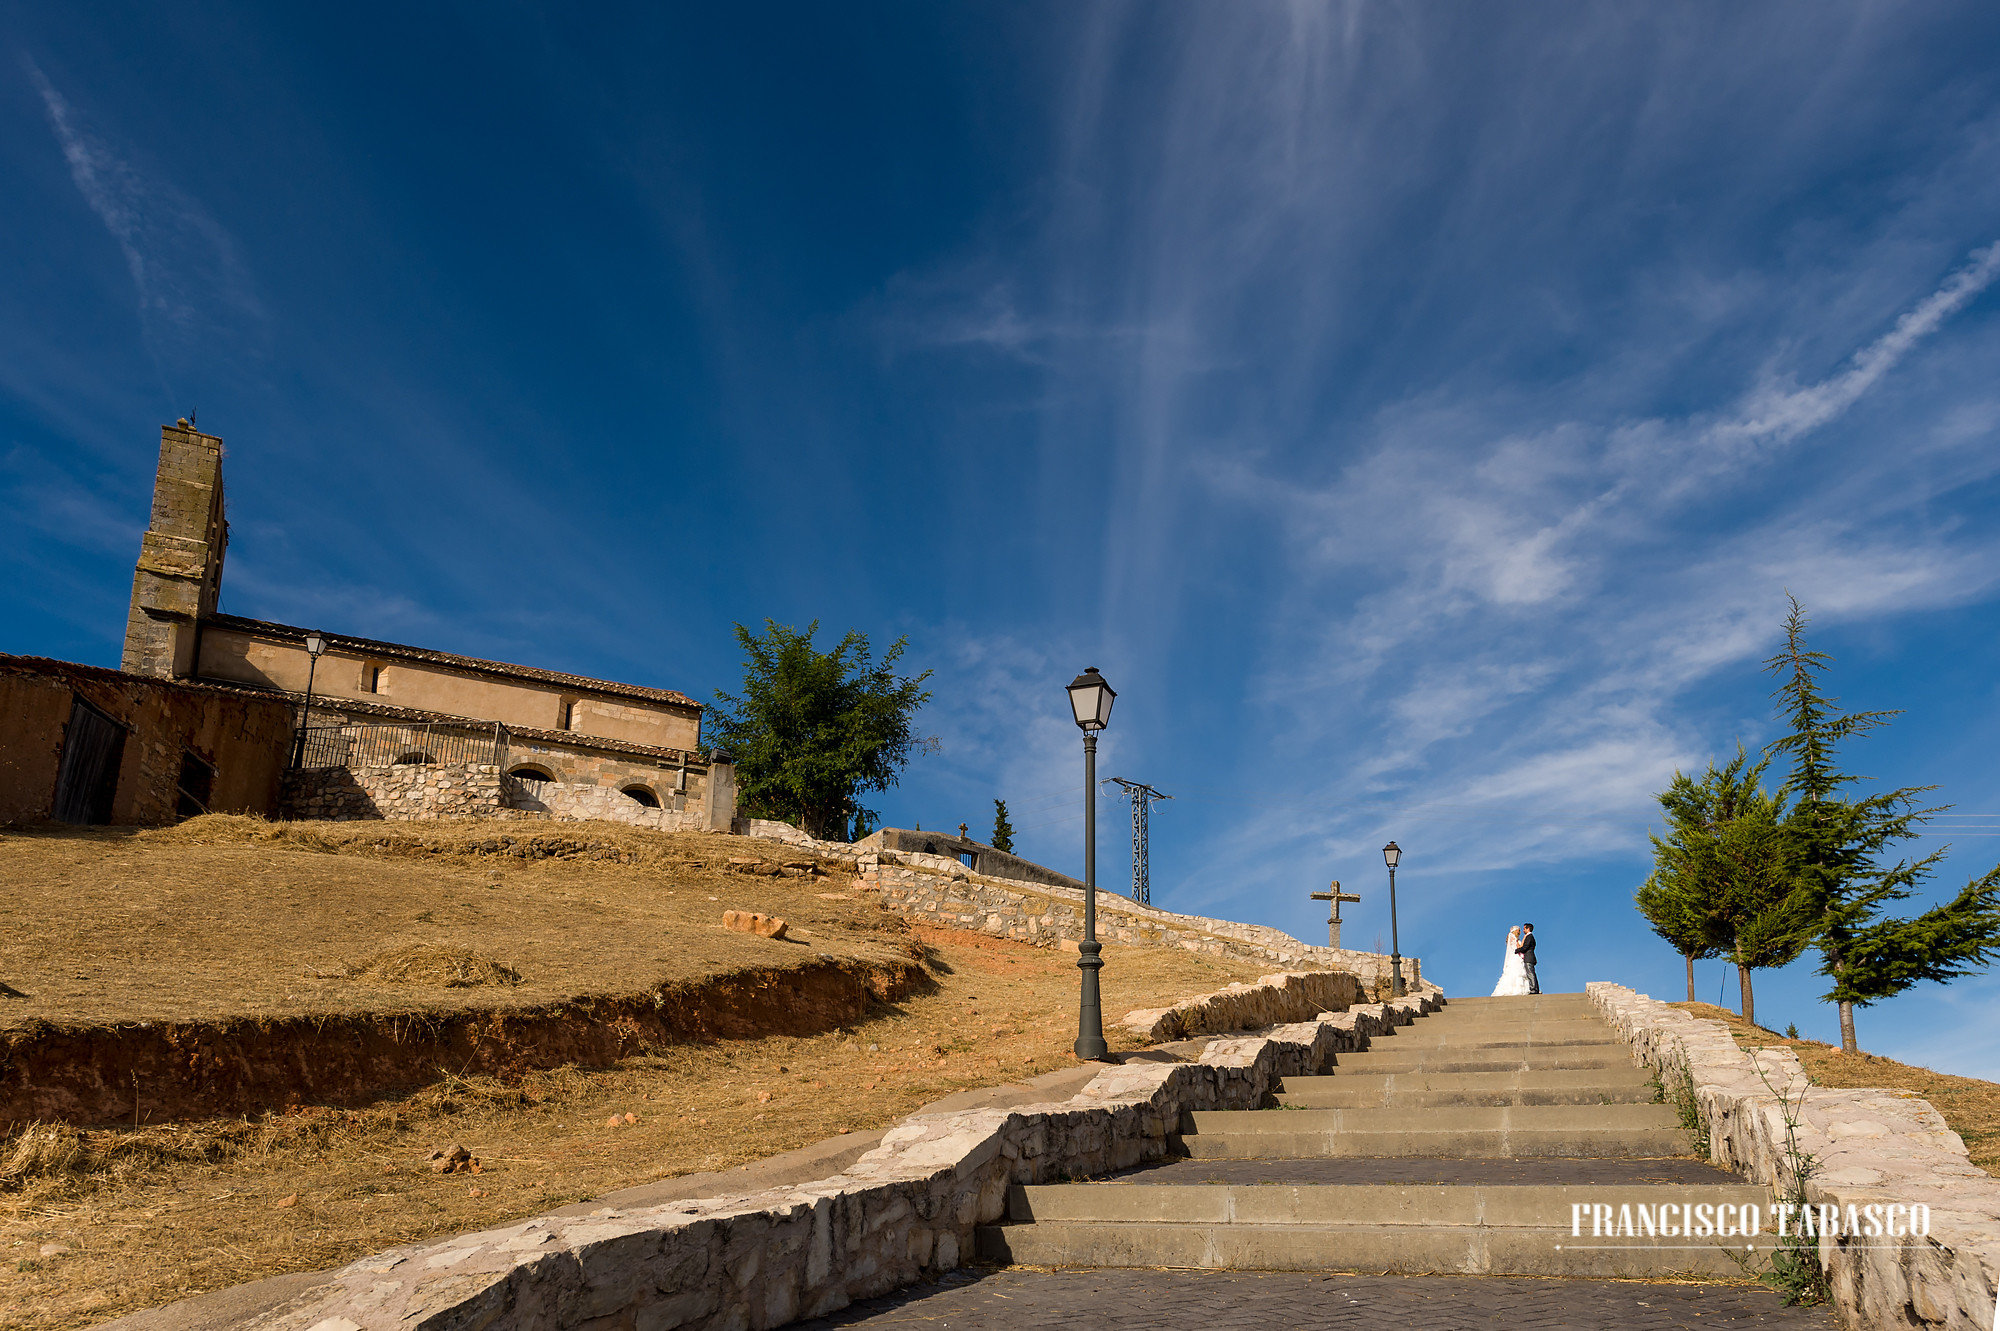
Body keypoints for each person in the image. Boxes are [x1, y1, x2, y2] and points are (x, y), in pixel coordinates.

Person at [1491, 925, 1531, 996]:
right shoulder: (1512, 937)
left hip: (1518, 956)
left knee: (1520, 973)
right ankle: (1512, 990)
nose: (1520, 931)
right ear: (1515, 931)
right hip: (1515, 957)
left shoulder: (1517, 939)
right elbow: (1517, 948)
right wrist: (1524, 939)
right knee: (1515, 972)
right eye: (1519, 930)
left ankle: (1520, 989)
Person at [1516, 922, 1540, 994]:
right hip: (1530, 957)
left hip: (1529, 958)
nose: (1523, 930)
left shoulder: (1529, 937)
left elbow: (1525, 947)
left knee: (1530, 974)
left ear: (1528, 929)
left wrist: (1517, 950)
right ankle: (1535, 989)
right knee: (1532, 974)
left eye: (1524, 929)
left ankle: (1533, 989)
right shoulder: (1530, 937)